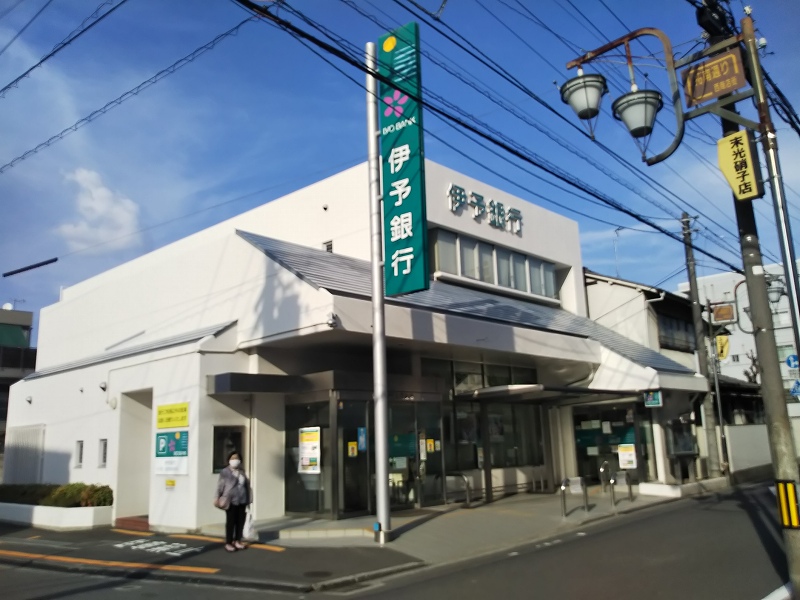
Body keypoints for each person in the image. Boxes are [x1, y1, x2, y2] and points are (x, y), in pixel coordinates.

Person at [214, 451, 252, 552]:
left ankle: (238, 540)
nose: (235, 460)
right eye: (233, 458)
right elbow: (220, 486)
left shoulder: (242, 471)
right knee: (231, 522)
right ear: (229, 460)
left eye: (237, 458)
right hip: (230, 500)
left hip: (242, 500)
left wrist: (249, 499)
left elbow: (246, 486)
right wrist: (217, 497)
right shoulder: (225, 472)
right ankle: (228, 542)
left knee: (240, 521)